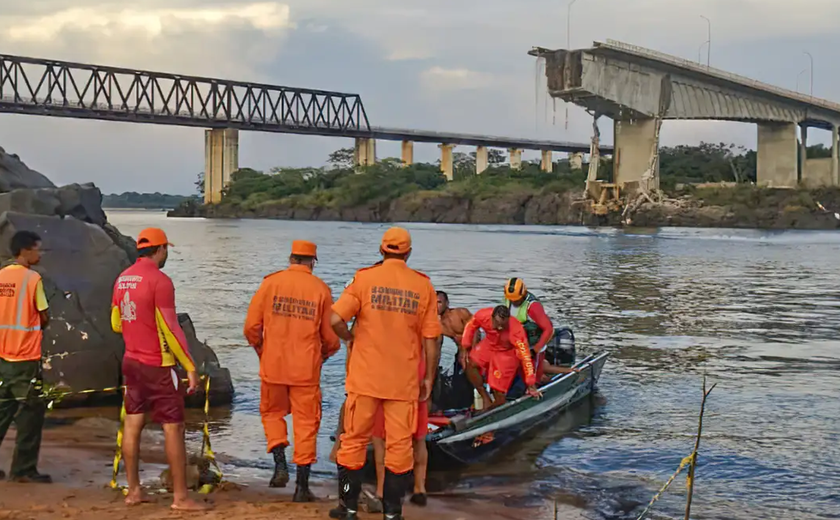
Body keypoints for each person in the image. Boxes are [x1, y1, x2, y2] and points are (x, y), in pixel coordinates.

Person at [330, 226, 441, 520]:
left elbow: (334, 319)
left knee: (353, 440)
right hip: (403, 382)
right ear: (408, 253)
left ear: (381, 250)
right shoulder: (423, 286)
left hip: (365, 379)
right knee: (400, 446)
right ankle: (392, 513)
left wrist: (350, 339)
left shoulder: (364, 279)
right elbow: (432, 339)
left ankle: (348, 508)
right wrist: (428, 377)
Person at [110, 228, 208, 511]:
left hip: (131, 361)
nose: (167, 254)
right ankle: (181, 498)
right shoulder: (160, 280)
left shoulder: (122, 278)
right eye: (167, 249)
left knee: (133, 423)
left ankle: (134, 491)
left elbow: (116, 322)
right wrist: (190, 367)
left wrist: (137, 327)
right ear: (160, 249)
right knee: (173, 428)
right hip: (158, 364)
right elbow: (171, 327)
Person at [243, 240, 340, 501]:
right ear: (313, 262)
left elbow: (251, 327)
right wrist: (324, 355)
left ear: (291, 258)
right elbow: (331, 338)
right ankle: (301, 488)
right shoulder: (321, 289)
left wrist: (263, 351)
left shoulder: (270, 284)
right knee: (306, 424)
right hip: (305, 371)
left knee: (272, 414)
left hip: (273, 366)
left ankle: (279, 463)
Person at [0, 231, 51, 484]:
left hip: (2, 355)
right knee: (31, 412)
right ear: (25, 251)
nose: (40, 254)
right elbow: (43, 315)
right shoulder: (32, 279)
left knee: (3, 409)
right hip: (25, 356)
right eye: (37, 249)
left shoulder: (0, 277)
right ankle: (23, 470)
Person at [460, 306, 540, 410]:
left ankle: (492, 410)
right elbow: (471, 325)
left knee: (498, 390)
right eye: (497, 324)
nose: (500, 328)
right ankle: (485, 396)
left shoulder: (516, 330)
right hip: (490, 343)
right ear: (492, 317)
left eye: (503, 325)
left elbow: (525, 357)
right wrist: (465, 346)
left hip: (506, 352)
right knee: (470, 363)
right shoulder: (483, 315)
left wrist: (530, 383)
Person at [503, 278, 561, 381]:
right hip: (517, 343)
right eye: (511, 300)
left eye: (516, 300)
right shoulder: (508, 299)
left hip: (533, 344)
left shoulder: (533, 306)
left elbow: (548, 330)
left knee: (534, 378)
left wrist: (536, 350)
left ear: (523, 293)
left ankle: (541, 379)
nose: (514, 302)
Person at [436, 291, 473, 366]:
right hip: (460, 352)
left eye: (439, 302)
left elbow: (475, 331)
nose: (436, 306)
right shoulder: (437, 324)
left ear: (447, 303)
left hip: (474, 347)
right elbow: (437, 347)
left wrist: (468, 352)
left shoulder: (461, 313)